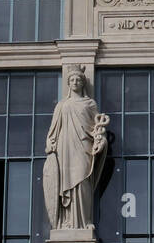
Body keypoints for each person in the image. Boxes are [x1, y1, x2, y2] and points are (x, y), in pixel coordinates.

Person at [44, 66, 108, 230]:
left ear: (83, 83)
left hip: (84, 147)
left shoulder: (90, 103)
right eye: (72, 79)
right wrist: (50, 144)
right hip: (64, 148)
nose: (75, 82)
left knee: (83, 179)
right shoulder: (61, 105)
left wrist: (101, 142)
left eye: (78, 79)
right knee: (67, 183)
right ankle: (67, 221)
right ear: (68, 83)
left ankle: (84, 220)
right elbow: (53, 130)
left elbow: (97, 129)